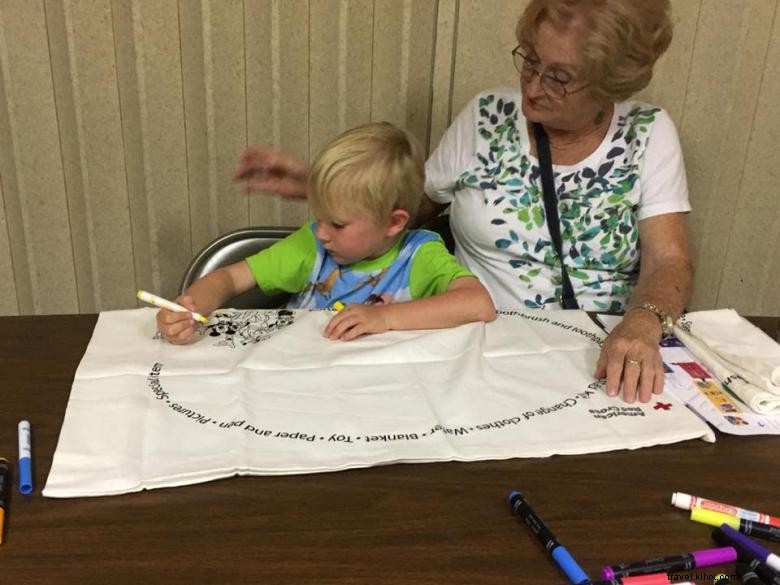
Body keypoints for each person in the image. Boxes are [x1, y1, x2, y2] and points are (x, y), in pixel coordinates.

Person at [233, 0, 692, 405]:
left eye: (559, 78)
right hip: (480, 349)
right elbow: (406, 210)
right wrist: (329, 191)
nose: (532, 89)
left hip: (603, 352)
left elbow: (669, 260)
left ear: (611, 82)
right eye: (531, 62)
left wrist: (640, 326)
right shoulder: (487, 117)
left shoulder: (648, 134)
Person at [157, 122, 496, 344]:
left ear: (393, 223)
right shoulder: (313, 246)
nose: (320, 233)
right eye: (318, 218)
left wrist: (385, 317)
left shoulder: (419, 255)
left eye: (337, 224)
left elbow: (479, 304)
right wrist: (189, 307)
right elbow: (230, 279)